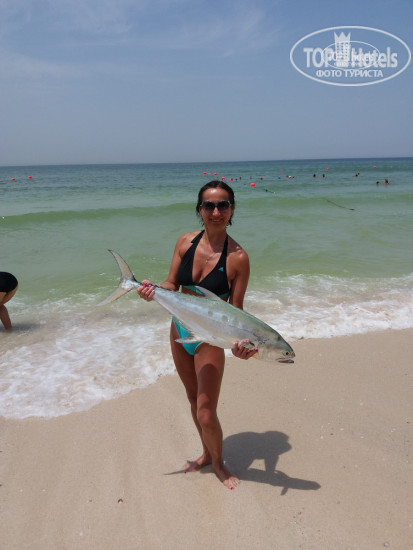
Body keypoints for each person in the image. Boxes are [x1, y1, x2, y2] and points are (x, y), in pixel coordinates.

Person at [137, 180, 257, 490]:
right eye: (209, 205)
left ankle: (218, 463)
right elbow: (171, 284)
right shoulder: (184, 242)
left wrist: (241, 348)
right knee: (192, 398)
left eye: (223, 205)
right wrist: (153, 291)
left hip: (209, 338)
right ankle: (206, 453)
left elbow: (237, 312)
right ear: (200, 209)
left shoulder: (238, 258)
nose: (216, 212)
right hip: (179, 329)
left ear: (232, 210)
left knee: (206, 413)